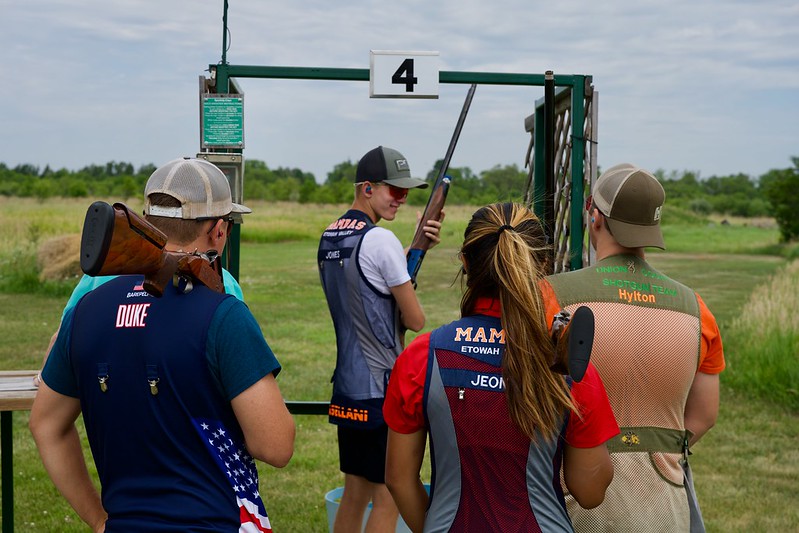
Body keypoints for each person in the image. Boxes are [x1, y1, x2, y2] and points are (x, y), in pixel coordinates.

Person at [29, 157, 296, 532]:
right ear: (219, 230)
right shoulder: (224, 315)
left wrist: (99, 520)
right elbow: (277, 445)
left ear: (144, 222)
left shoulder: (85, 312)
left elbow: (45, 425)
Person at [383, 202, 620, 532]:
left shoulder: (421, 356)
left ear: (465, 262)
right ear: (543, 265)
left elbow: (398, 479)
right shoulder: (565, 364)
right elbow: (590, 491)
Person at [541, 163, 725, 532]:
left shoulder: (551, 294)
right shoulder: (696, 308)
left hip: (569, 501)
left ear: (595, 216)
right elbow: (704, 415)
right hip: (664, 506)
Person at [318, 146, 443, 532]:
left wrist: (417, 247)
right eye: (395, 191)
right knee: (388, 497)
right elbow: (415, 319)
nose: (401, 200)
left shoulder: (330, 235)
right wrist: (411, 255)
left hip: (347, 389)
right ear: (368, 188)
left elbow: (370, 280)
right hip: (382, 390)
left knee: (354, 491)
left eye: (406, 194)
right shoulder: (381, 240)